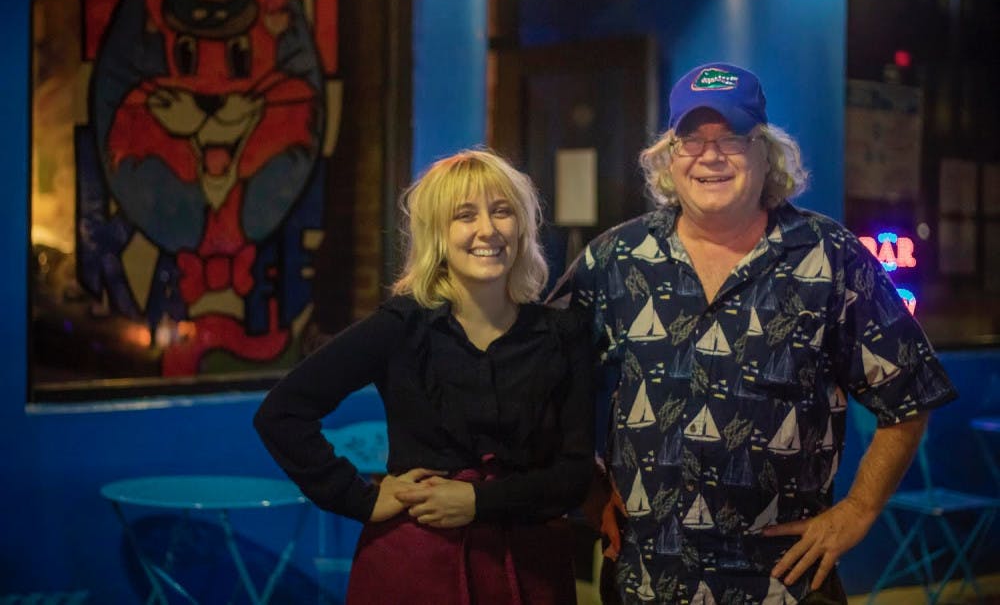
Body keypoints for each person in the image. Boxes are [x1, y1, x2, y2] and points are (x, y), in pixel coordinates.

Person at [549, 62, 957, 604]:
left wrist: (858, 511)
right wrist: (589, 485)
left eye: (733, 138)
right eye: (691, 139)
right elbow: (544, 379)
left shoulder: (829, 256)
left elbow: (910, 393)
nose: (710, 156)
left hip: (783, 585)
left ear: (767, 154)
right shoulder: (616, 259)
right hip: (644, 581)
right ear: (670, 159)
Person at [254, 149, 595, 604]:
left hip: (529, 573)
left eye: (502, 212)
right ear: (437, 233)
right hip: (414, 566)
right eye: (464, 215)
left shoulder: (563, 334)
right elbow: (282, 413)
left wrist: (477, 502)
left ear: (523, 228)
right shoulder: (400, 328)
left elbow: (574, 476)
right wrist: (361, 499)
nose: (487, 230)